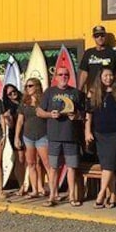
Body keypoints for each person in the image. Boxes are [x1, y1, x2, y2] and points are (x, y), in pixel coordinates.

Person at [85, 68, 116, 208]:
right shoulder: (93, 93)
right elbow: (89, 114)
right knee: (108, 165)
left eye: (111, 75)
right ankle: (113, 195)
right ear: (100, 77)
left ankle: (101, 194)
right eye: (105, 75)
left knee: (108, 163)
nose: (108, 78)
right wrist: (87, 132)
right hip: (100, 134)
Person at [37, 67, 85, 207]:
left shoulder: (76, 93)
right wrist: (49, 115)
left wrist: (76, 116)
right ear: (56, 77)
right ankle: (52, 196)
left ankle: (72, 197)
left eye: (66, 74)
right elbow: (39, 111)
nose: (63, 76)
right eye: (60, 74)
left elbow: (84, 114)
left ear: (69, 76)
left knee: (71, 167)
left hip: (71, 137)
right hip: (54, 137)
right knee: (53, 167)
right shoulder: (49, 92)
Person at [15, 77, 48, 199]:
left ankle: (51, 188)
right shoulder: (24, 102)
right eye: (26, 86)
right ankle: (34, 189)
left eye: (30, 86)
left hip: (42, 135)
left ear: (37, 86)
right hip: (28, 136)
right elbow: (20, 121)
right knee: (31, 163)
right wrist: (17, 137)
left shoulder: (44, 101)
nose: (28, 88)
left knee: (46, 163)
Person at [78, 25, 116, 92]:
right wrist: (79, 90)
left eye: (102, 35)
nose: (100, 38)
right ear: (93, 37)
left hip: (111, 90)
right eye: (97, 36)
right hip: (94, 91)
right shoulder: (88, 53)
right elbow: (84, 73)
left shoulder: (115, 52)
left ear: (105, 36)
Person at [2, 83, 24, 194]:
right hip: (15, 134)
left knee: (30, 160)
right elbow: (10, 125)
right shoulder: (7, 107)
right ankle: (21, 186)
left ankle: (30, 184)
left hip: (28, 132)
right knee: (19, 160)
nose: (12, 94)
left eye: (14, 91)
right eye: (9, 93)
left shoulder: (24, 101)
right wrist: (8, 119)